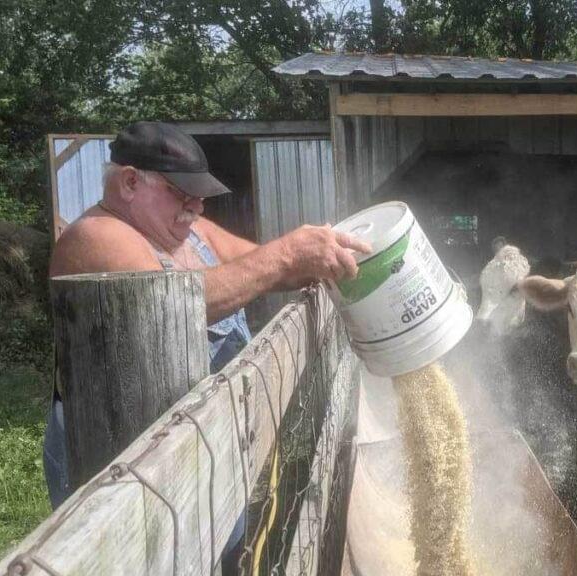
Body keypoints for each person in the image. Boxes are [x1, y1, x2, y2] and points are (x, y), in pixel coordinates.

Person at [45, 121, 369, 532]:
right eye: (183, 194)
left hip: (197, 440)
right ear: (129, 183)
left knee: (217, 545)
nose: (197, 208)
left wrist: (319, 258)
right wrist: (287, 253)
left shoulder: (190, 234)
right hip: (121, 462)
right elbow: (172, 305)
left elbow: (267, 267)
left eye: (200, 197)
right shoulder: (95, 235)